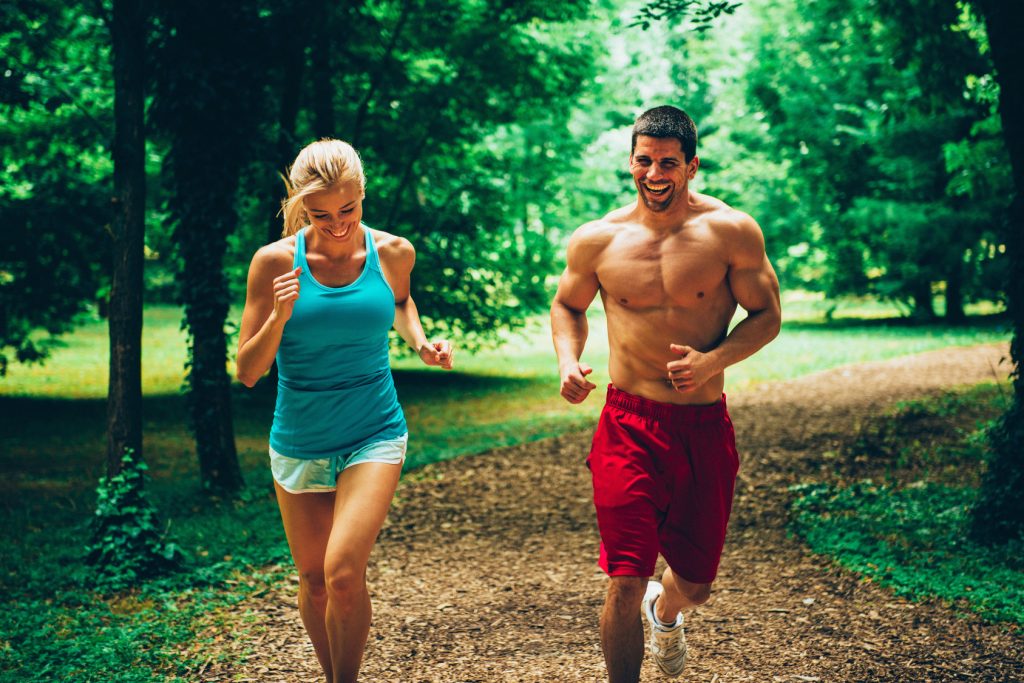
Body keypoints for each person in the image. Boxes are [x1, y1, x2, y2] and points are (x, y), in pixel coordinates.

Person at [551, 105, 781, 682]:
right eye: (645, 161)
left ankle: (668, 609)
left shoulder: (731, 232)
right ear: (631, 162)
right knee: (625, 576)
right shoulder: (597, 240)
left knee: (697, 585)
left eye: (668, 164)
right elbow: (567, 306)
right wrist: (567, 361)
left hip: (701, 426)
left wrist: (713, 362)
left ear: (692, 166)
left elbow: (768, 315)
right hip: (627, 425)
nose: (655, 174)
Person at [236, 138, 453, 683]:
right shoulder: (273, 264)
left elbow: (401, 301)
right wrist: (279, 317)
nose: (337, 225)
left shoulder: (394, 252)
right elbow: (246, 370)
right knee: (311, 579)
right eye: (320, 214)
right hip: (299, 438)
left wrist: (420, 342)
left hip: (373, 430)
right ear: (301, 208)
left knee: (342, 573)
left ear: (363, 194)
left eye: (348, 210)